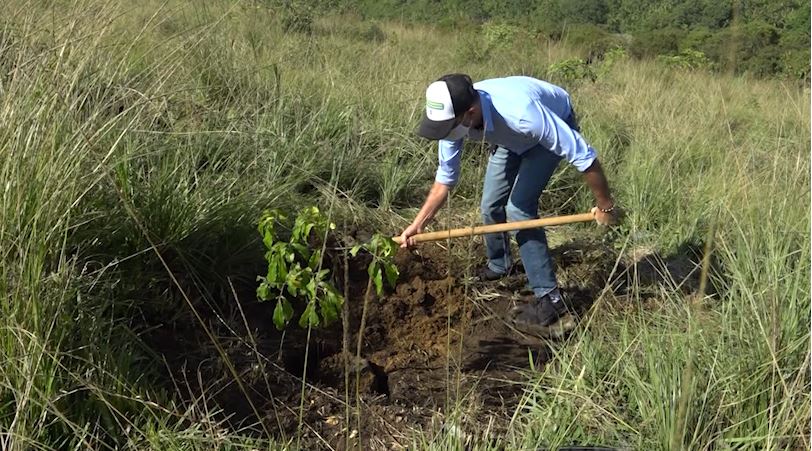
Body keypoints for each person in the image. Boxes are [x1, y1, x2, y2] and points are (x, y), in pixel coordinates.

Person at [398, 73, 618, 329]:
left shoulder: (523, 113)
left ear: (470, 113)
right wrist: (419, 224)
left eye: (449, 127)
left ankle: (551, 298)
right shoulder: (454, 120)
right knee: (490, 204)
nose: (446, 135)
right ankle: (499, 264)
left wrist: (605, 206)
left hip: (546, 126)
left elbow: (584, 157)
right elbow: (444, 180)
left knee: (519, 208)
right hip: (507, 137)